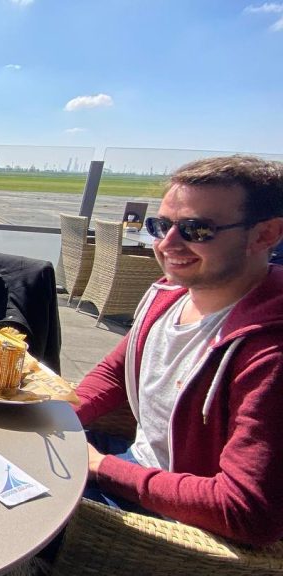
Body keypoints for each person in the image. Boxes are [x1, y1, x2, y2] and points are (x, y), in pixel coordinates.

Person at [74, 155, 283, 546]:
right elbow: (116, 372)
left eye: (196, 229)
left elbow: (248, 511)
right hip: (133, 464)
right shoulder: (170, 294)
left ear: (265, 235)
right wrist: (55, 414)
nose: (168, 244)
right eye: (161, 225)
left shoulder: (269, 350)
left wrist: (101, 468)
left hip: (181, 518)